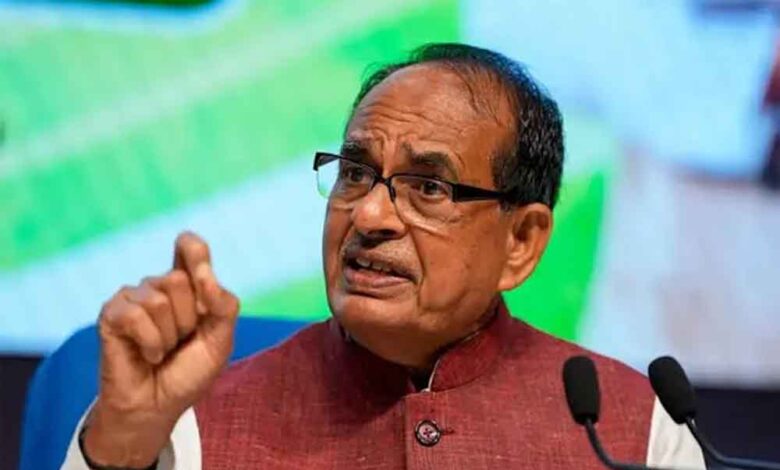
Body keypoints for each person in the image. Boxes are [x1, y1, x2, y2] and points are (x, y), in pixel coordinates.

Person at [62, 43, 704, 469]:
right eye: (354, 173)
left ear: (521, 242)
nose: (368, 215)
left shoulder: (635, 432)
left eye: (429, 187)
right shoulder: (191, 423)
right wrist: (124, 441)